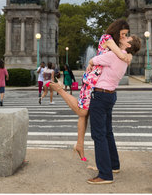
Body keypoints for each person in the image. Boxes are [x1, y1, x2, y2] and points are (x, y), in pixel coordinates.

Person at [59, 34, 142, 184]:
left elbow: (92, 60)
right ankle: (113, 165)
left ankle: (105, 174)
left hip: (100, 95)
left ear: (128, 45)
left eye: (126, 38)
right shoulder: (125, 58)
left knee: (99, 135)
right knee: (107, 132)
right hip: (110, 95)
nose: (123, 37)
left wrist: (92, 61)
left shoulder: (113, 56)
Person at [53, 19, 133, 162]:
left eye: (126, 35)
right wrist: (128, 55)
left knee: (85, 113)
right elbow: (120, 55)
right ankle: (59, 89)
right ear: (116, 30)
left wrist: (128, 53)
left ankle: (79, 144)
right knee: (83, 111)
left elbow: (115, 55)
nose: (123, 37)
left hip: (96, 78)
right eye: (123, 33)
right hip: (92, 79)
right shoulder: (107, 38)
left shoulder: (112, 41)